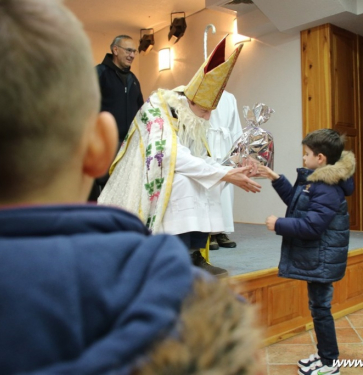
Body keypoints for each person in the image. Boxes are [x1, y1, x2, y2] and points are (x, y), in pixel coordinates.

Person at [0, 1, 262, 374]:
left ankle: (196, 249)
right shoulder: (176, 302)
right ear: (99, 147)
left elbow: (200, 154)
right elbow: (172, 158)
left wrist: (232, 165)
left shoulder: (151, 94)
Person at [99, 36, 261, 278]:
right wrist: (223, 173)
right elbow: (170, 155)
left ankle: (196, 254)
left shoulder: (191, 117)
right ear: (190, 101)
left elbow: (200, 157)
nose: (206, 119)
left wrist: (229, 169)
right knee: (183, 183)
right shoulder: (159, 107)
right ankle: (178, 254)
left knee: (208, 182)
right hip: (142, 172)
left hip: (171, 165)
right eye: (205, 111)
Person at [258, 129, 355, 375]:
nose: (303, 159)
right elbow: (296, 202)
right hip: (318, 257)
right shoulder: (317, 181)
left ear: (320, 158)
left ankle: (330, 363)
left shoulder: (327, 187)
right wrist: (275, 177)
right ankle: (325, 356)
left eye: (307, 154)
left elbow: (312, 226)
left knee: (321, 309)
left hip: (321, 258)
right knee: (318, 307)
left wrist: (278, 224)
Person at [89, 34, 144, 200]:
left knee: (126, 193)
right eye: (128, 50)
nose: (132, 55)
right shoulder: (99, 74)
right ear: (115, 50)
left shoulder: (133, 80)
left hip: (129, 147)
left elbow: (142, 111)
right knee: (104, 193)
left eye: (134, 51)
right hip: (104, 145)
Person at [208, 90, 244, 250]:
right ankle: (209, 232)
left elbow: (235, 126)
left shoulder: (230, 97)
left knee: (226, 191)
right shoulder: (200, 90)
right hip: (208, 142)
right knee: (209, 188)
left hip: (225, 144)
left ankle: (222, 230)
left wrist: (239, 151)